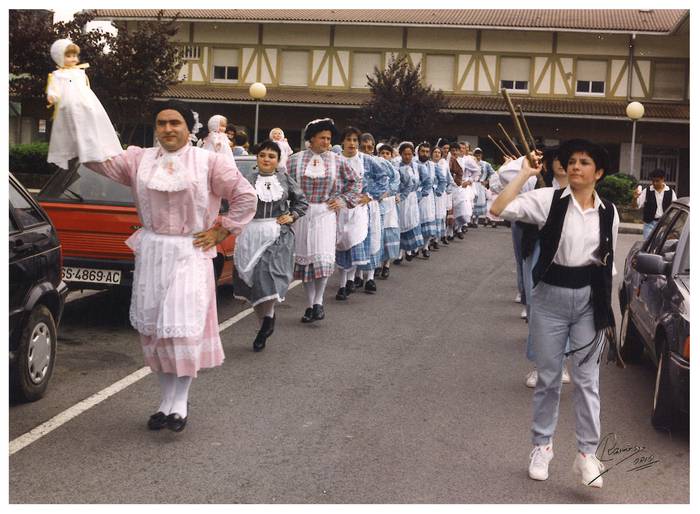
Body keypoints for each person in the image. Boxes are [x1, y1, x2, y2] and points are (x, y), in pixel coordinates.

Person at [81, 99, 257, 432]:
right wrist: (76, 107)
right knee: (155, 331)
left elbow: (245, 195)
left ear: (189, 127)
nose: (167, 129)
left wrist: (222, 229)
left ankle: (180, 403)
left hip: (190, 252)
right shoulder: (138, 160)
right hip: (152, 253)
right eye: (161, 123)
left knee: (182, 328)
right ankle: (164, 402)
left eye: (175, 122)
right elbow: (96, 160)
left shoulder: (209, 162)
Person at [490, 139, 619, 489]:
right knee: (548, 379)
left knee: (587, 381)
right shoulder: (548, 200)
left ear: (599, 172)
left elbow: (607, 262)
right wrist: (525, 175)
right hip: (549, 299)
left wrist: (605, 311)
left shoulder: (609, 211)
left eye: (584, 162)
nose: (575, 167)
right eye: (571, 161)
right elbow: (498, 209)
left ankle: (586, 455)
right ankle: (541, 446)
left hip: (589, 302)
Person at [232, 140, 308, 352]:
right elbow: (235, 202)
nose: (266, 159)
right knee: (253, 283)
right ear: (257, 158)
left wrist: (291, 216)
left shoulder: (285, 180)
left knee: (267, 276)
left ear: (277, 160)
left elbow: (302, 203)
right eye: (263, 155)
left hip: (277, 234)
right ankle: (266, 322)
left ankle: (267, 319)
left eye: (271, 156)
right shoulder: (247, 180)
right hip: (251, 233)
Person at [289, 118, 360, 322]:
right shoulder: (294, 160)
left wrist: (342, 199)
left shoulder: (337, 160)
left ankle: (319, 302)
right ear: (311, 138)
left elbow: (356, 181)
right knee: (306, 262)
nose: (326, 142)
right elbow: (284, 184)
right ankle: (310, 305)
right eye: (322, 137)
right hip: (302, 214)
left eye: (329, 138)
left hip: (325, 213)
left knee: (323, 258)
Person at [46, 38, 122, 170]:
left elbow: (85, 87)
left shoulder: (80, 72)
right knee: (70, 128)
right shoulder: (57, 75)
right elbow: (54, 88)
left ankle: (95, 148)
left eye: (74, 55)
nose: (73, 59)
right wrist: (52, 96)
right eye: (68, 56)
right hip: (68, 105)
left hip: (85, 103)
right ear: (59, 58)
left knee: (91, 124)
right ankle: (77, 150)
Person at [335, 128, 390, 298]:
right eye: (348, 139)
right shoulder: (335, 160)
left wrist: (370, 196)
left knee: (355, 241)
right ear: (342, 142)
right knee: (341, 244)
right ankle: (344, 283)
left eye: (354, 140)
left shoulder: (366, 160)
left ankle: (348, 283)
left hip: (359, 209)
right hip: (340, 208)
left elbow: (384, 177)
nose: (352, 143)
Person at [396, 142, 425, 261]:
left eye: (409, 154)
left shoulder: (417, 167)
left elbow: (426, 181)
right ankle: (399, 252)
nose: (407, 157)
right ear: (401, 154)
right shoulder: (397, 167)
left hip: (413, 198)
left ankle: (409, 250)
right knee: (401, 224)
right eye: (405, 154)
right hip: (402, 198)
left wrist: (421, 194)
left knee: (412, 223)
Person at [377, 143, 402, 278]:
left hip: (390, 204)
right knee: (378, 234)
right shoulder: (375, 168)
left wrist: (391, 194)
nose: (385, 156)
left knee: (389, 234)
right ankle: (377, 264)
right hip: (378, 203)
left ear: (391, 156)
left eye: (387, 153)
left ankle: (386, 264)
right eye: (383, 153)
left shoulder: (394, 171)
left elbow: (395, 185)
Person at [633, 168, 677, 239]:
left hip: (664, 225)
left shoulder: (670, 192)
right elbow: (636, 206)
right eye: (653, 181)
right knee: (648, 246)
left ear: (663, 179)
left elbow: (674, 210)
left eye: (657, 181)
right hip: (649, 224)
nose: (655, 183)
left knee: (661, 247)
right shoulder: (646, 191)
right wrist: (635, 198)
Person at [416, 142, 439, 257]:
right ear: (418, 152)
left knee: (428, 224)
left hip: (429, 196)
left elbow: (439, 180)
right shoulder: (413, 163)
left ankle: (425, 247)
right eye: (422, 151)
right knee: (415, 223)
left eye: (426, 152)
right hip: (415, 196)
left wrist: (435, 189)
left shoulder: (432, 165)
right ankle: (414, 248)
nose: (424, 154)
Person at [430, 146, 449, 245]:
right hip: (429, 193)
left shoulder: (444, 165)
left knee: (440, 215)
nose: (437, 154)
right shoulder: (428, 165)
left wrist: (445, 190)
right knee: (431, 215)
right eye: (435, 152)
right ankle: (430, 238)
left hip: (440, 194)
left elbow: (448, 180)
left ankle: (436, 238)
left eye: (439, 152)